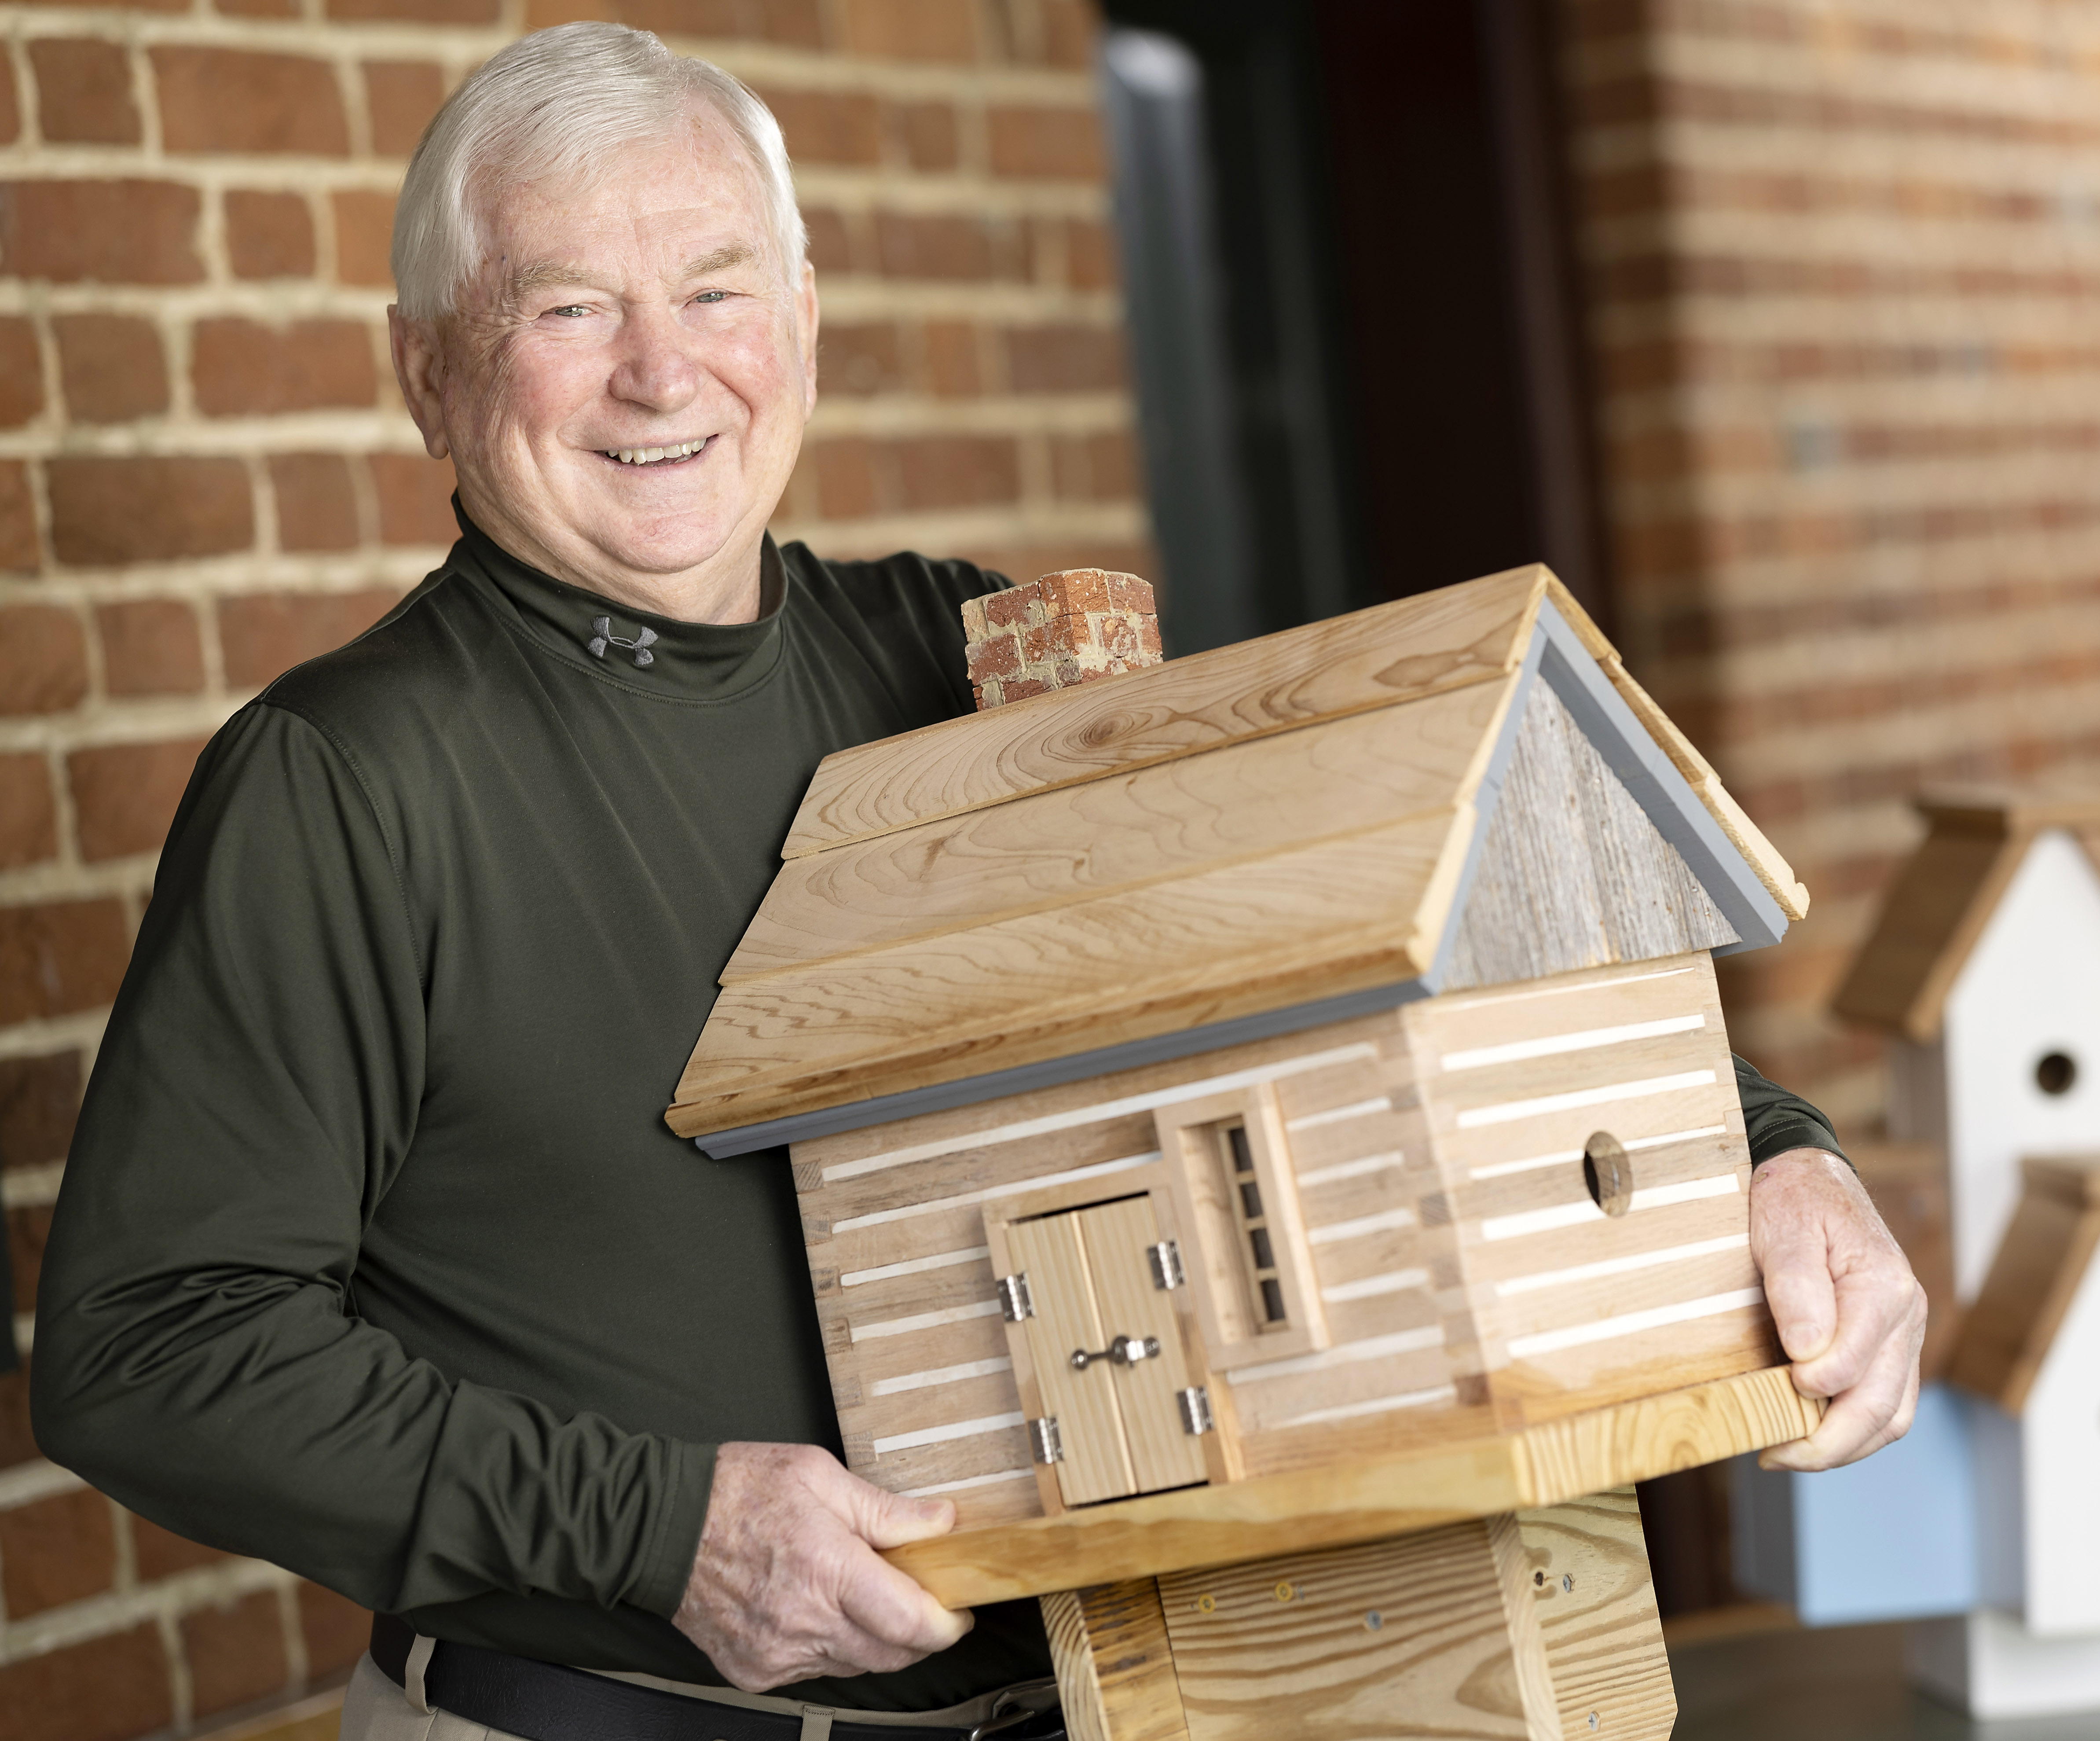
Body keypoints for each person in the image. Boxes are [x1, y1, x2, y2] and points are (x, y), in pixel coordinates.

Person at [32, 22, 1925, 1741]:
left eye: (716, 286)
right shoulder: (345, 780)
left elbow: (1345, 965)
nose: (660, 368)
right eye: (563, 309)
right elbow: (148, 1350)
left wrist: (1770, 1151)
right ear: (431, 373)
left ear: (806, 319)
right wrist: (669, 1527)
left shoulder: (964, 660)